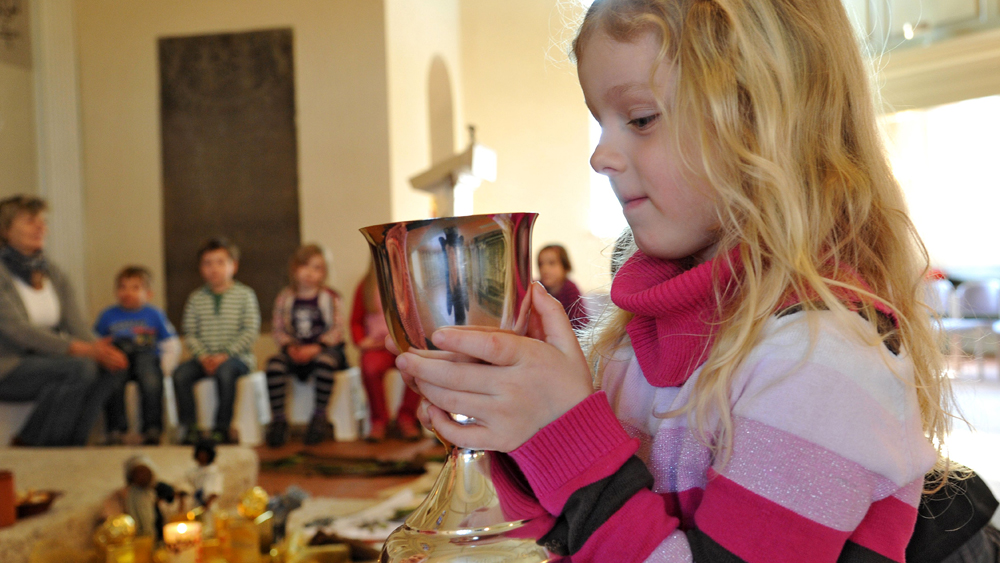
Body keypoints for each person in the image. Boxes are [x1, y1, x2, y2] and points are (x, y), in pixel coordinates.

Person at [391, 1, 970, 561]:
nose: (600, 156)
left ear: (766, 121)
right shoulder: (632, 343)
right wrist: (513, 434)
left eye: (640, 119)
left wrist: (564, 436)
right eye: (601, 122)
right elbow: (573, 536)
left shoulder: (824, 360)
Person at [0, 195, 128, 446]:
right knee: (79, 368)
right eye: (29, 221)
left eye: (43, 221)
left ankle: (71, 447)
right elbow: (17, 331)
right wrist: (81, 349)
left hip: (47, 362)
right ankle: (28, 442)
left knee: (111, 365)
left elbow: (76, 325)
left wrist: (102, 351)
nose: (40, 227)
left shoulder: (53, 273)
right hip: (8, 367)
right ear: (4, 230)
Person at [172, 237, 260, 445]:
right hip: (204, 358)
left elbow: (250, 331)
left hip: (237, 359)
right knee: (180, 374)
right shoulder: (195, 299)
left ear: (233, 266)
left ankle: (221, 428)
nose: (214, 269)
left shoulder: (245, 295)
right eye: (207, 263)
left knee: (226, 372)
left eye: (220, 262)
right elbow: (190, 333)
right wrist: (202, 356)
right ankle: (190, 427)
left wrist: (226, 354)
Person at [264, 244, 349, 447]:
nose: (310, 273)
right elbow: (278, 328)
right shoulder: (285, 297)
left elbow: (337, 329)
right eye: (305, 266)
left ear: (324, 272)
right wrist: (290, 347)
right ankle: (279, 420)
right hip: (294, 350)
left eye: (317, 268)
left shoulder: (331, 297)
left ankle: (319, 417)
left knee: (325, 363)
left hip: (324, 350)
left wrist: (318, 346)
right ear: (295, 269)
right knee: (274, 365)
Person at [94, 266, 178, 445]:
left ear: (148, 293)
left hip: (146, 357)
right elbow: (96, 342)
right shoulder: (108, 315)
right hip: (119, 359)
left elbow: (171, 343)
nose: (127, 292)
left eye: (135, 288)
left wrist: (165, 367)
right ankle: (116, 429)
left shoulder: (154, 314)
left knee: (151, 382)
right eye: (122, 287)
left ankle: (152, 428)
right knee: (112, 383)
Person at [351, 260, 421, 442]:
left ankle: (407, 418)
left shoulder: (410, 283)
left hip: (404, 346)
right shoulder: (366, 286)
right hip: (377, 346)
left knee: (417, 367)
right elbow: (356, 321)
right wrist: (361, 341)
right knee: (370, 368)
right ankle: (378, 420)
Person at [102, 455, 176, 539]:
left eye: (144, 472)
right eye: (138, 472)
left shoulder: (157, 490)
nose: (142, 476)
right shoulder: (123, 495)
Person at [537, 244, 589, 331]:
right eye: (540, 264)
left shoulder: (570, 289)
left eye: (551, 263)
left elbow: (580, 323)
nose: (544, 269)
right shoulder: (537, 288)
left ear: (565, 267)